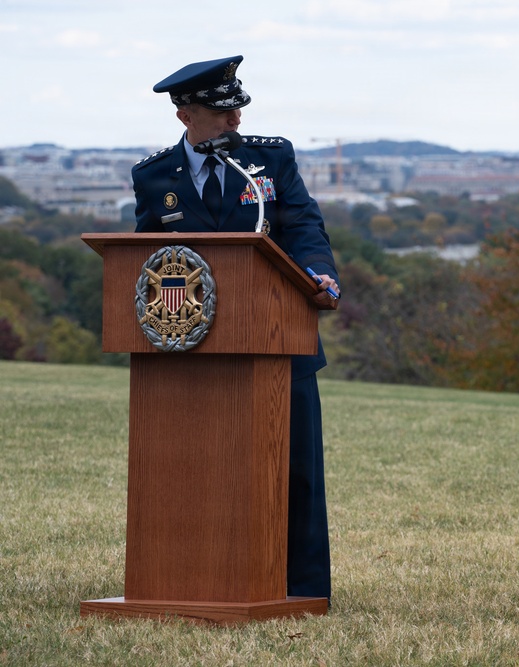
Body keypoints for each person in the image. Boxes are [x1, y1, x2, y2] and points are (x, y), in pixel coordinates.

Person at [131, 55, 340, 603]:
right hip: (193, 351)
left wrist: (320, 275)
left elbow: (303, 226)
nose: (236, 121)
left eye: (238, 108)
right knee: (196, 470)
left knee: (294, 471)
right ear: (184, 114)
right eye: (221, 113)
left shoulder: (269, 160)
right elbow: (146, 262)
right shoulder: (154, 177)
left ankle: (302, 590)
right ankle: (194, 577)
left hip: (279, 339)